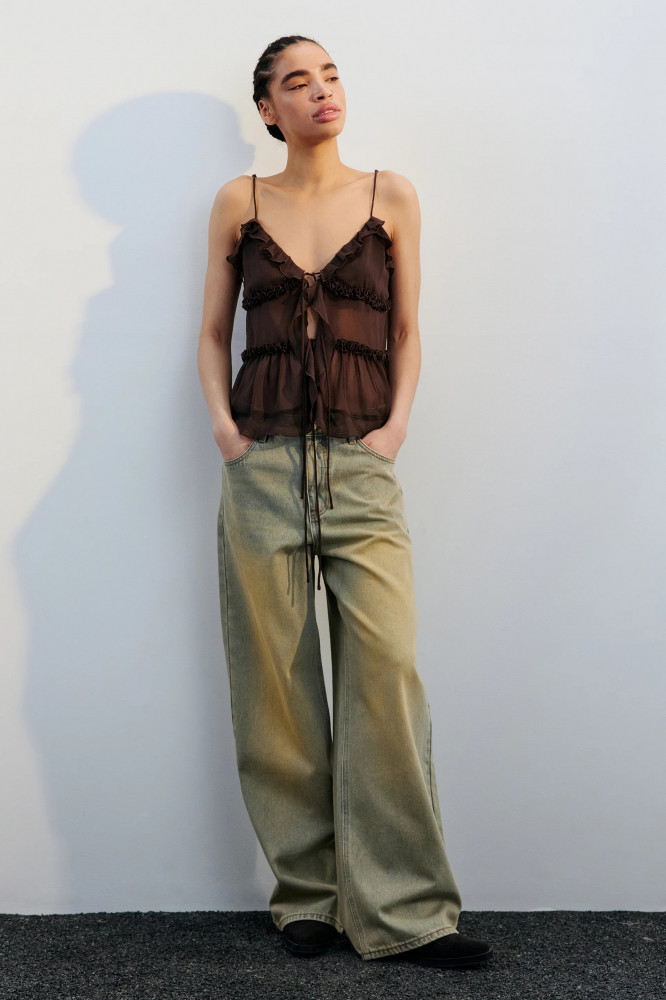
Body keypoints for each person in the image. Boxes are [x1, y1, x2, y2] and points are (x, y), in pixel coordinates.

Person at [197, 34, 493, 968]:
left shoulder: (389, 196)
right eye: (298, 82)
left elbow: (405, 329)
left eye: (330, 75)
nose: (322, 91)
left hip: (362, 469)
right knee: (275, 689)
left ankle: (405, 912)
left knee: (385, 676)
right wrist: (228, 435)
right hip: (263, 467)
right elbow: (211, 333)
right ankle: (309, 898)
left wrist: (393, 431)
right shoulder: (240, 203)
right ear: (268, 109)